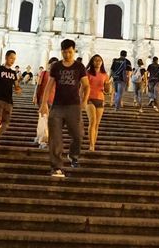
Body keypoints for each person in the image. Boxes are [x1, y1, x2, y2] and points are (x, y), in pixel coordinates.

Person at [41, 39, 88, 178]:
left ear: (74, 51)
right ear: (61, 52)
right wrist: (44, 103)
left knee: (78, 135)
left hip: (74, 106)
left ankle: (73, 155)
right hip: (57, 106)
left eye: (70, 51)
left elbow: (86, 85)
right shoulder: (56, 66)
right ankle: (56, 167)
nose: (67, 54)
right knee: (55, 138)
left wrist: (84, 100)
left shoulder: (79, 66)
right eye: (65, 52)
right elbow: (49, 85)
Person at [0, 50, 21, 147]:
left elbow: (16, 85)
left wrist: (18, 89)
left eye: (14, 59)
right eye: (11, 58)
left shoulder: (13, 73)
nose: (13, 61)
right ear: (6, 57)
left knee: (5, 124)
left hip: (9, 100)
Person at [84, 54, 109, 151]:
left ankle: (93, 142)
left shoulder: (105, 75)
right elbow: (83, 87)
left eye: (99, 60)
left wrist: (108, 86)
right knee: (92, 121)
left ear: (102, 62)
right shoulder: (88, 73)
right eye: (95, 60)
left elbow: (107, 91)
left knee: (97, 124)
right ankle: (91, 145)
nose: (97, 62)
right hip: (89, 98)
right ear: (92, 62)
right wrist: (82, 99)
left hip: (100, 99)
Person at [34, 58, 57, 149]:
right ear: (49, 65)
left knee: (45, 120)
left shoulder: (58, 75)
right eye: (52, 64)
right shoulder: (44, 73)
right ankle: (43, 140)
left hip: (54, 100)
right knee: (43, 119)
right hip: (43, 99)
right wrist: (35, 96)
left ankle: (40, 137)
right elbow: (38, 85)